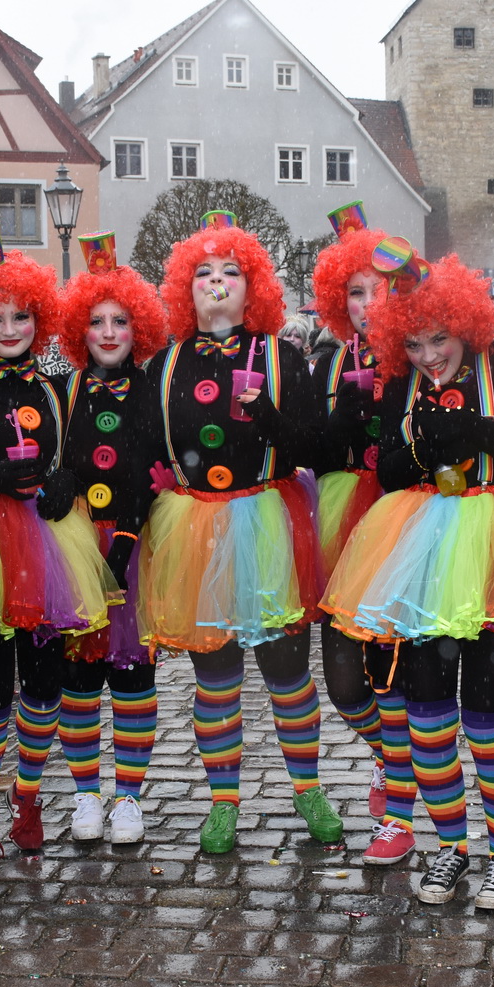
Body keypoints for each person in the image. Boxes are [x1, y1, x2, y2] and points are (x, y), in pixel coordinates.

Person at [325, 239, 494, 904]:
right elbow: (386, 470)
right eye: (412, 344)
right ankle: (450, 849)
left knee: (488, 720)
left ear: (463, 325)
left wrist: (475, 430)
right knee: (426, 717)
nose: (428, 355)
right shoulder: (403, 378)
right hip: (420, 550)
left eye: (437, 339)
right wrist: (420, 446)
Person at [137, 209, 335, 855]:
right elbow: (143, 451)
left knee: (287, 670)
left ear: (255, 289)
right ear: (182, 289)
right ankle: (223, 800)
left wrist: (269, 414)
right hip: (196, 526)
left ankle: (306, 788)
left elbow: (310, 445)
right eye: (202, 273)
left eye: (231, 272)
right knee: (214, 672)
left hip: (270, 522)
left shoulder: (282, 356)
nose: (216, 282)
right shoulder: (164, 366)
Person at [0, 218, 115, 857]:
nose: (10, 330)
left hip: (50, 541)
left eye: (21, 317)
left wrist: (67, 477)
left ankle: (29, 796)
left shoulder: (53, 385)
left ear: (38, 319)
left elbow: (73, 451)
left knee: (44, 684)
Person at [53, 231, 168, 845]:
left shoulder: (154, 389)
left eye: (119, 319)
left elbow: (157, 467)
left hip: (137, 543)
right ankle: (85, 794)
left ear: (138, 326)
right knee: (78, 678)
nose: (106, 331)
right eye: (95, 320)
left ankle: (128, 797)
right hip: (73, 543)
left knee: (131, 675)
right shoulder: (63, 389)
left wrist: (127, 536)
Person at [309, 202, 396, 820]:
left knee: (400, 672)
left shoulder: (425, 355)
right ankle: (393, 757)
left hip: (407, 522)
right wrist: (341, 420)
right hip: (342, 522)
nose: (367, 303)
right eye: (354, 292)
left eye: (378, 288)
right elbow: (311, 451)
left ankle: (405, 795)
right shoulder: (330, 363)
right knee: (343, 681)